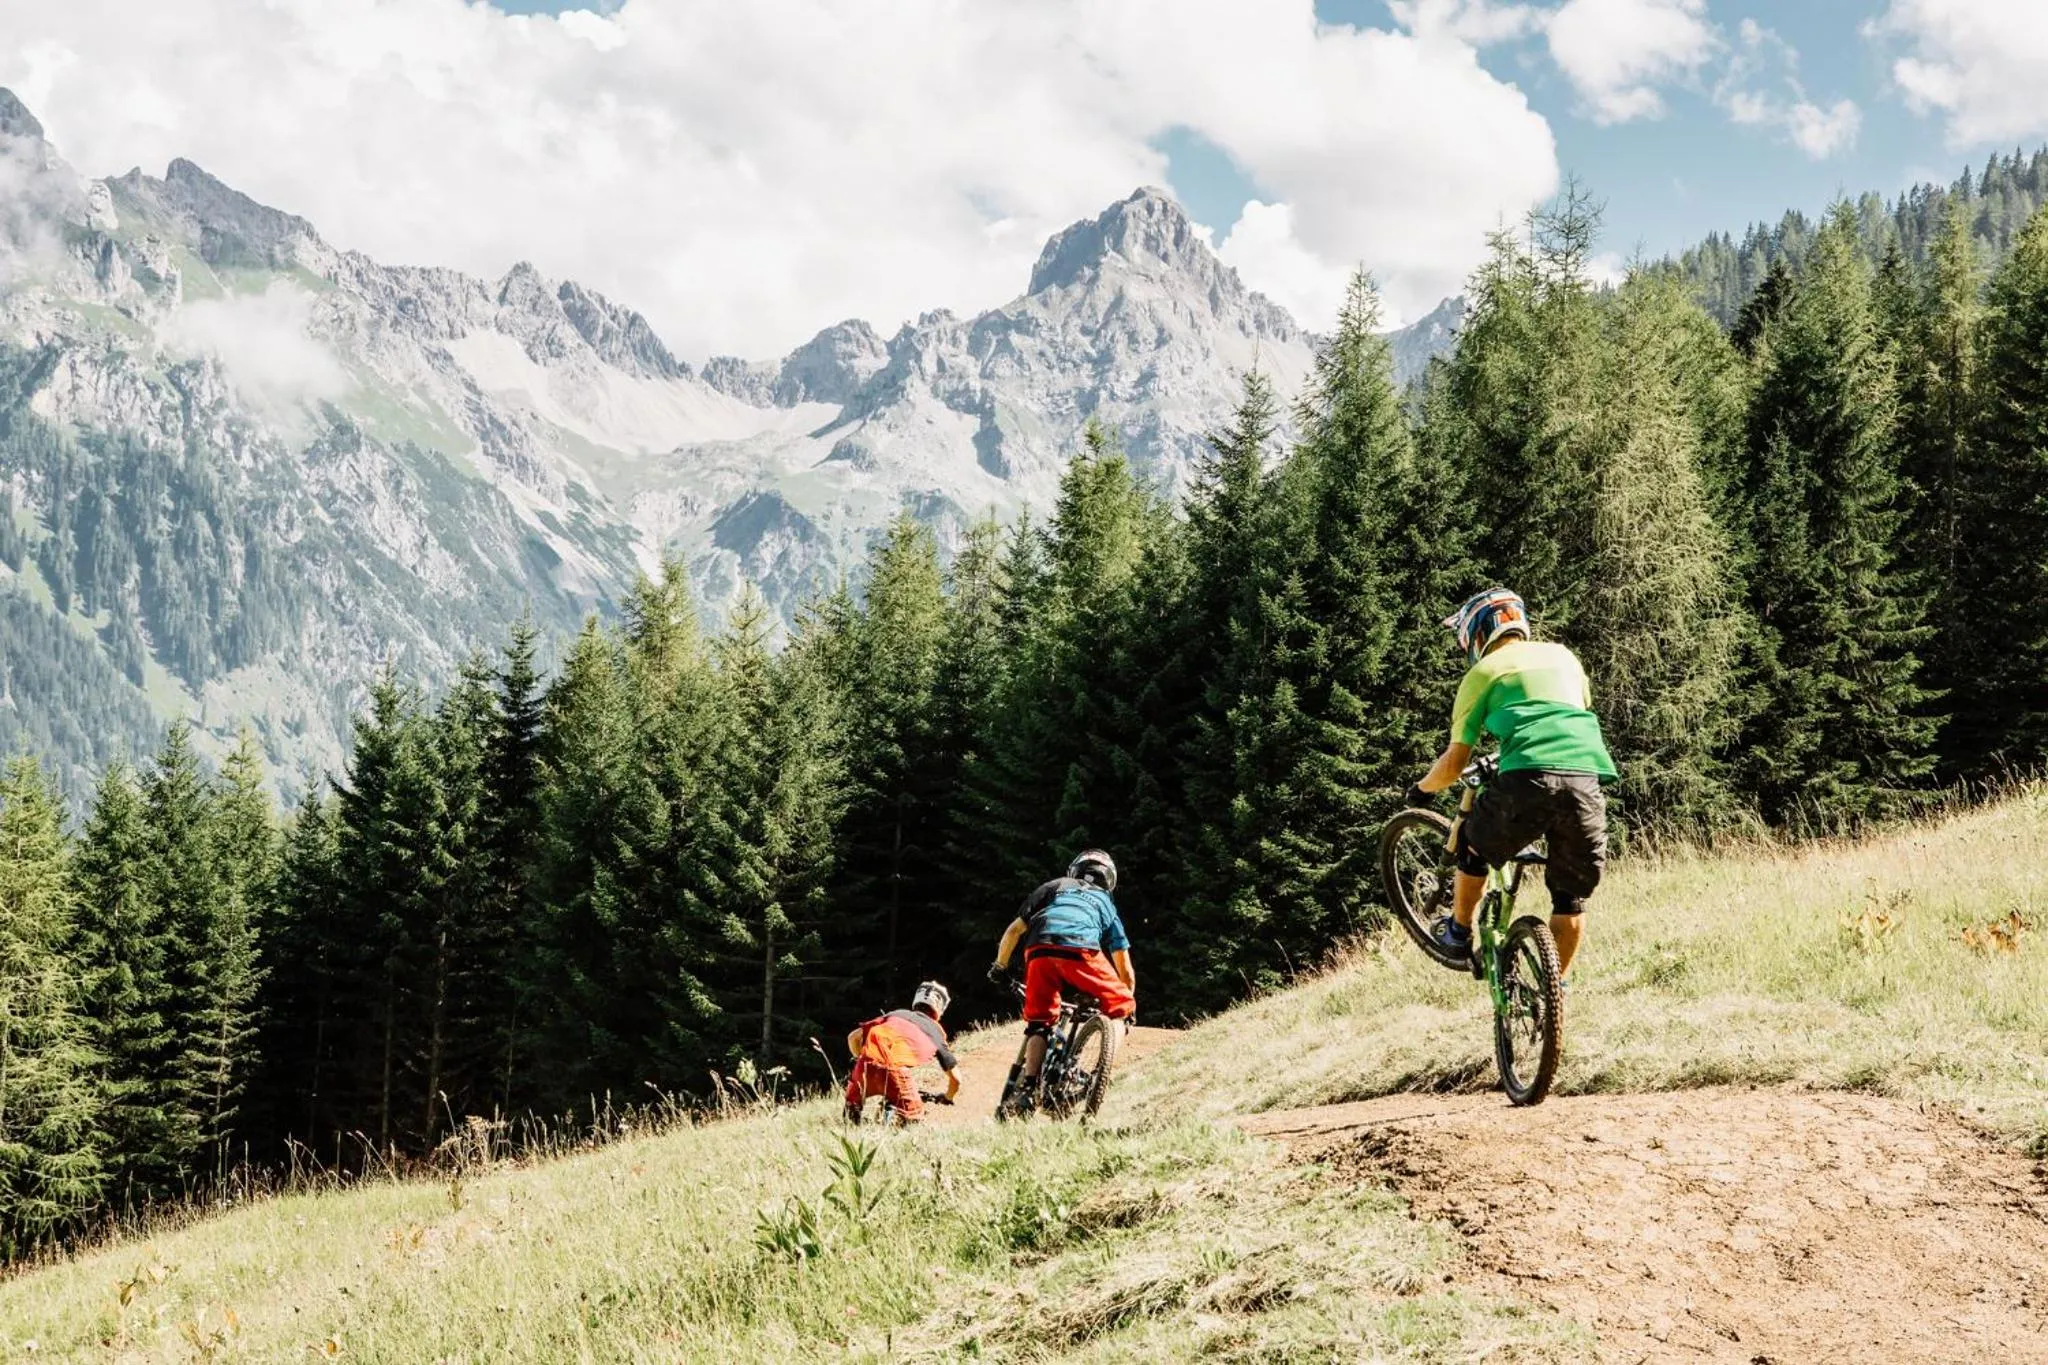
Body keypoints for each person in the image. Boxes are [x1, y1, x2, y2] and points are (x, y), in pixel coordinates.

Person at [1407, 588, 1615, 975]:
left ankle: (1457, 933)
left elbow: (1454, 763)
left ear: (1477, 635)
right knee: (1570, 899)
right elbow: (1561, 721)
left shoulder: (1482, 672)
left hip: (1527, 779)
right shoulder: (1565, 658)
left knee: (1471, 844)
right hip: (1586, 777)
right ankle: (1551, 994)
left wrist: (1421, 790)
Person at [989, 849, 1136, 1100]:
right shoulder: (1105, 903)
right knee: (1123, 1007)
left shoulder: (1052, 887)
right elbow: (1124, 968)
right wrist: (1124, 1002)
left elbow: (1013, 932)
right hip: (1081, 949)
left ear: (1075, 870)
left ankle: (1027, 1089)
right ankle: (1102, 1073)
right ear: (1108, 880)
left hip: (1039, 949)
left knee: (1040, 1022)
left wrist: (999, 968)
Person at [843, 981, 961, 1125]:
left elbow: (853, 1037)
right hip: (895, 1072)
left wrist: (861, 1060)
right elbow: (956, 1080)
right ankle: (892, 1115)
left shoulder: (895, 1015)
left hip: (865, 1065)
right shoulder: (935, 1032)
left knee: (850, 1119)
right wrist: (948, 1098)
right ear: (939, 1010)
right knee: (914, 1122)